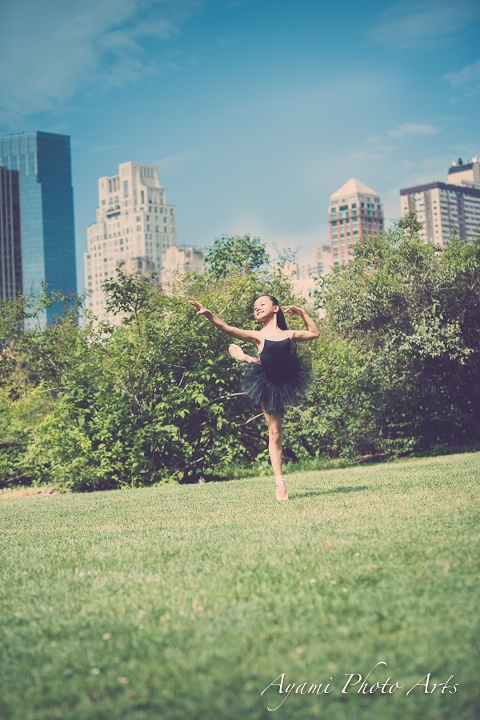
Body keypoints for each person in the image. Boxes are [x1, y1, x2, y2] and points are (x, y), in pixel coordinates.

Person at [188, 295, 320, 501]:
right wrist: (208, 314)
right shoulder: (257, 336)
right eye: (255, 307)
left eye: (262, 304)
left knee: (280, 431)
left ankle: (280, 478)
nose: (257, 308)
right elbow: (226, 328)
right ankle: (279, 481)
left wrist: (302, 313)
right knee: (275, 432)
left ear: (276, 308)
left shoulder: (289, 334)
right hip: (269, 384)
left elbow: (315, 332)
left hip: (286, 379)